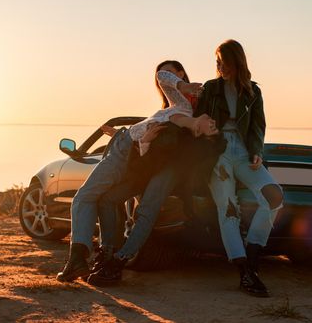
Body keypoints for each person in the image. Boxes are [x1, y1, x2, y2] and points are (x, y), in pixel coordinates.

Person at [56, 61, 218, 282]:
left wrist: (188, 100)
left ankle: (82, 260)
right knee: (106, 199)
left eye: (174, 73)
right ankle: (106, 254)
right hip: (135, 155)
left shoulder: (181, 105)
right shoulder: (171, 107)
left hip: (127, 151)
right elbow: (163, 129)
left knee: (83, 197)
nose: (167, 79)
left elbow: (166, 85)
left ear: (181, 74)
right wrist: (143, 139)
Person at [194, 39, 284, 297]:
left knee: (274, 196)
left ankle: (253, 255)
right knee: (228, 208)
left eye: (223, 60)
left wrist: (257, 151)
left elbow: (258, 126)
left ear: (236, 61)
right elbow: (198, 122)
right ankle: (244, 271)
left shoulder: (253, 91)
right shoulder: (210, 88)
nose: (219, 65)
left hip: (244, 152)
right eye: (217, 61)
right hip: (216, 152)